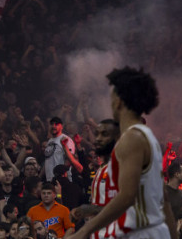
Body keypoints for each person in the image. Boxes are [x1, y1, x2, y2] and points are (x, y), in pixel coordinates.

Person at [66, 66, 174, 239]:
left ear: (119, 102)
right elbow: (164, 200)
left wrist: (84, 231)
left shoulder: (132, 141)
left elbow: (126, 198)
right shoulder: (144, 141)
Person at [70, 119, 120, 222]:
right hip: (90, 205)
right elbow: (82, 161)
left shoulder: (111, 170)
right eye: (95, 156)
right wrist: (78, 145)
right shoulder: (88, 172)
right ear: (91, 158)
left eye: (99, 156)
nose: (97, 158)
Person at [43, 118, 82, 182]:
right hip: (50, 179)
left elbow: (70, 159)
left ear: (62, 127)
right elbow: (47, 159)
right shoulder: (50, 141)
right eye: (52, 124)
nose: (53, 126)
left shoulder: (66, 139)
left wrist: (60, 174)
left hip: (62, 179)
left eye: (56, 124)